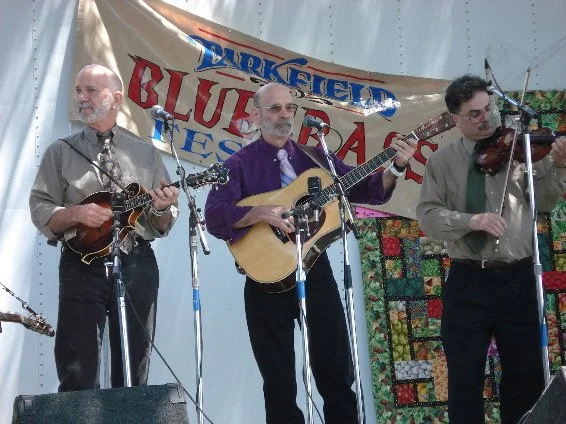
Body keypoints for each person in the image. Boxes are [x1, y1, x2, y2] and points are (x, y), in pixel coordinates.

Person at [204, 82, 417, 424]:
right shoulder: (238, 164)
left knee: (336, 373)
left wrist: (395, 167)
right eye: (275, 109)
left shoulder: (315, 157)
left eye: (290, 108)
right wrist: (260, 213)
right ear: (256, 115)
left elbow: (370, 190)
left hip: (315, 271)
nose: (284, 115)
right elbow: (214, 216)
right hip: (265, 282)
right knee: (279, 385)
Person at [416, 74, 566, 424]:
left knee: (526, 377)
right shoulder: (442, 161)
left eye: (489, 108)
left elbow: (545, 202)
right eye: (474, 114)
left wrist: (559, 165)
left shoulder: (524, 148)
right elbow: (428, 216)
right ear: (455, 118)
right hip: (469, 281)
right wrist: (470, 221)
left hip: (519, 278)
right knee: (465, 381)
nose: (486, 118)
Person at [29, 64, 180, 391]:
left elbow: (159, 224)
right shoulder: (60, 151)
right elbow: (40, 205)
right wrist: (75, 214)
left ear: (115, 98)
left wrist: (164, 208)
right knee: (76, 370)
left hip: (137, 262)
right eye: (78, 91)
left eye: (91, 90)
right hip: (80, 266)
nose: (82, 98)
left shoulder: (145, 153)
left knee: (133, 371)